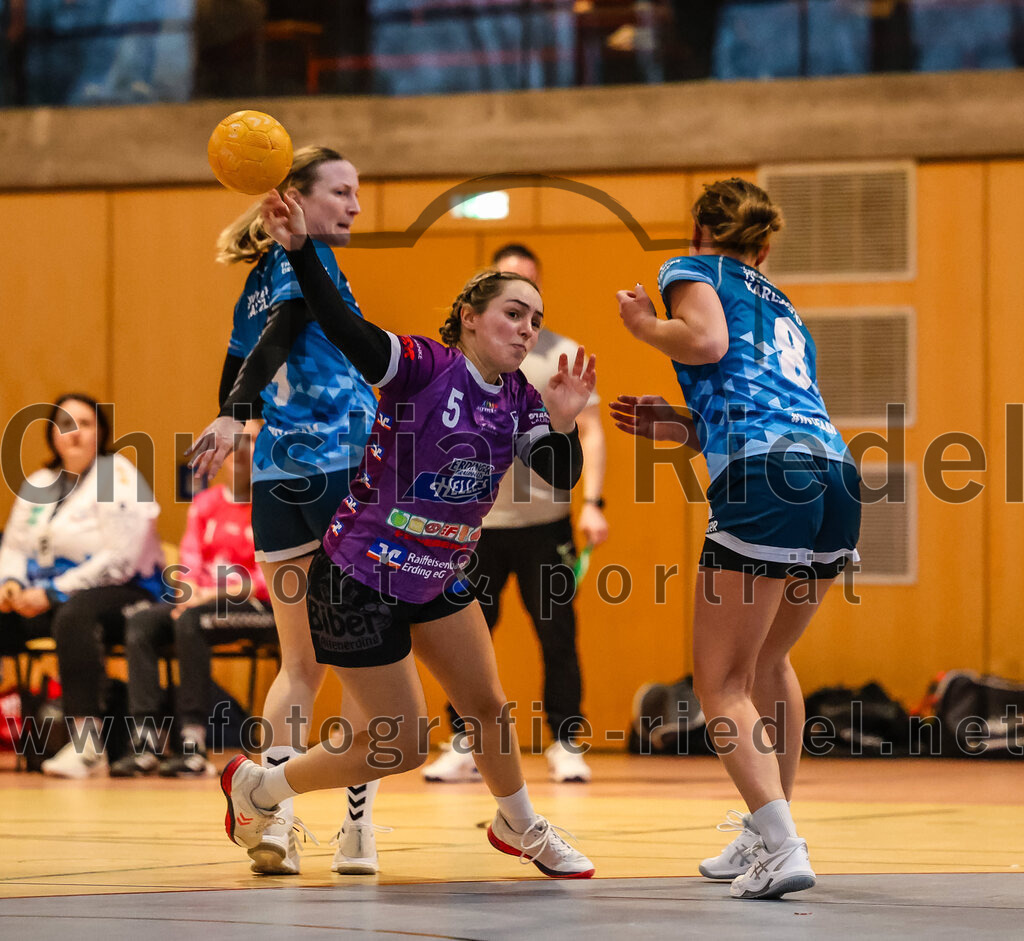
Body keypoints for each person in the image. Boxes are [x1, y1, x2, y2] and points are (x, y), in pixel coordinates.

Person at [215, 188, 598, 879]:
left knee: (488, 706)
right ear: (470, 317)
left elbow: (560, 472)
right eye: (513, 313)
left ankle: (520, 824)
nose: (527, 330)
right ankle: (260, 788)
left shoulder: (519, 398)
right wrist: (300, 251)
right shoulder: (421, 364)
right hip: (357, 578)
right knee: (400, 746)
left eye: (536, 320)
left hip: (435, 575)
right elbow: (341, 324)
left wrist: (566, 423)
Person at [610, 177, 860, 900]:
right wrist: (683, 428)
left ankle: (781, 844)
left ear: (700, 231)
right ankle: (767, 825)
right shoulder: (786, 309)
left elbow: (705, 340)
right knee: (771, 660)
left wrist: (643, 325)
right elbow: (762, 396)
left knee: (719, 684)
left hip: (765, 476)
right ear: (766, 245)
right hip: (835, 475)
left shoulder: (690, 269)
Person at [189, 146, 381, 876]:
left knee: (298, 665)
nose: (355, 205)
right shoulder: (311, 260)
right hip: (342, 472)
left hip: (277, 483)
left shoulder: (257, 277)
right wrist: (237, 411)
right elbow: (282, 337)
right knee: (369, 655)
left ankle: (273, 820)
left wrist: (232, 412)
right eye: (341, 191)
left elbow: (234, 364)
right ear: (296, 199)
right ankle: (356, 831)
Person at [422, 243, 608, 784]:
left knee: (557, 633)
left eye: (532, 291)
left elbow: (590, 433)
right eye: (510, 291)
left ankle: (566, 741)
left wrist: (593, 503)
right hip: (476, 526)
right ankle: (465, 741)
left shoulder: (560, 355)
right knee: (467, 636)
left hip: (545, 525)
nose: (524, 310)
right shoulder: (457, 362)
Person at [0, 393, 164, 778]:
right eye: (65, 424)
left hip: (127, 589)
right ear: (51, 435)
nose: (74, 433)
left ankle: (87, 746)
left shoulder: (116, 475)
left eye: (85, 424)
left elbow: (119, 558)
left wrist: (53, 592)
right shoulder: (39, 483)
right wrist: (11, 583)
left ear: (100, 432)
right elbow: (14, 546)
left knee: (74, 615)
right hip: (47, 596)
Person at [111, 421, 270, 778]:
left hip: (259, 608)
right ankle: (146, 741)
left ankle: (192, 744)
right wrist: (188, 593)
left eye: (251, 442)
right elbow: (189, 561)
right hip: (200, 602)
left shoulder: (274, 505)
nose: (241, 451)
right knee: (142, 622)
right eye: (234, 443)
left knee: (190, 621)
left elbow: (269, 579)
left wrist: (209, 595)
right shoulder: (205, 504)